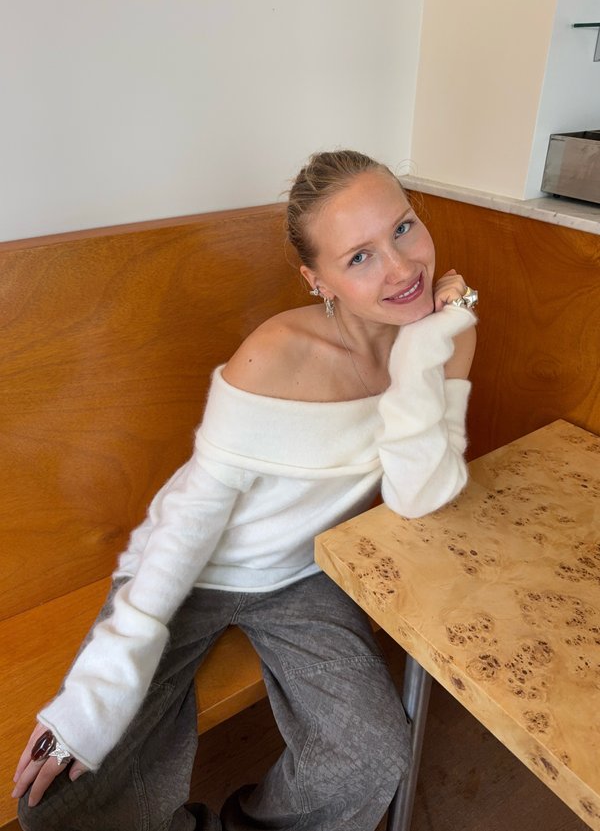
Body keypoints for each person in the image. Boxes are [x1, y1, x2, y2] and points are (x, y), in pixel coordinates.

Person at [13, 149, 477, 831]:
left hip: (301, 572)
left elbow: (419, 492)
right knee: (55, 804)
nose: (403, 267)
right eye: (359, 257)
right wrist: (92, 697)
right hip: (195, 563)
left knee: (375, 755)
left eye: (403, 228)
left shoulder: (444, 334)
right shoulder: (276, 353)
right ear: (315, 277)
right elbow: (194, 517)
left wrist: (426, 353)